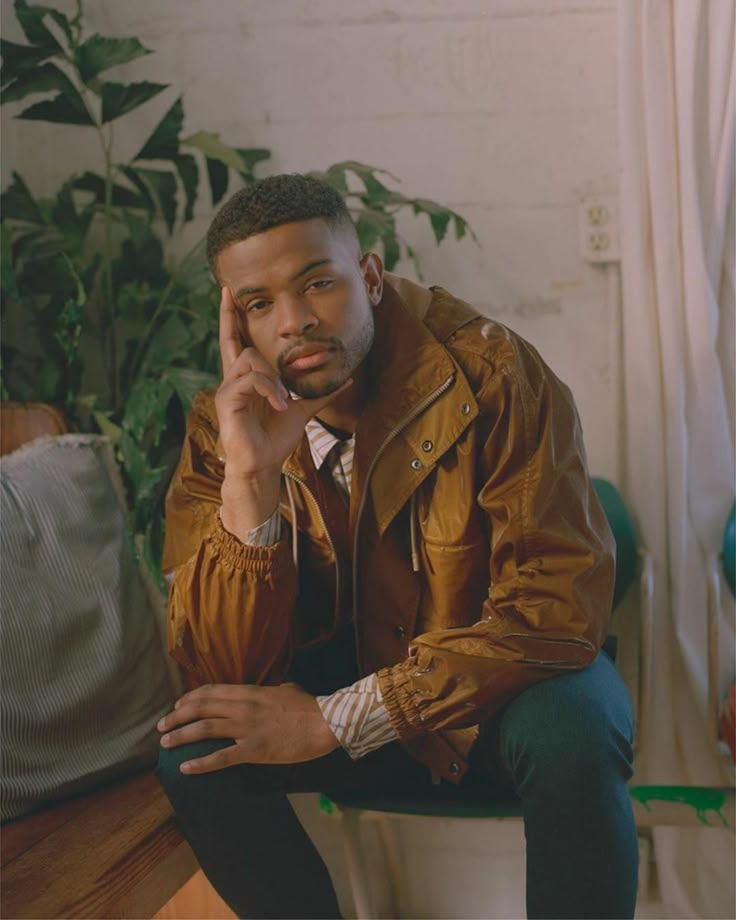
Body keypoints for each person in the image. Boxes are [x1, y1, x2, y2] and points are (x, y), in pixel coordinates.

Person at [156, 173, 638, 919]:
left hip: (498, 703)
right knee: (196, 750)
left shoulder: (494, 373)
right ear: (238, 322)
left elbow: (554, 611)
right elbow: (225, 673)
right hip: (356, 708)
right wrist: (251, 482)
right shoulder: (223, 433)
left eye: (317, 284)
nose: (291, 323)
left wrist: (336, 718)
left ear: (370, 277)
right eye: (258, 304)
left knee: (574, 723)